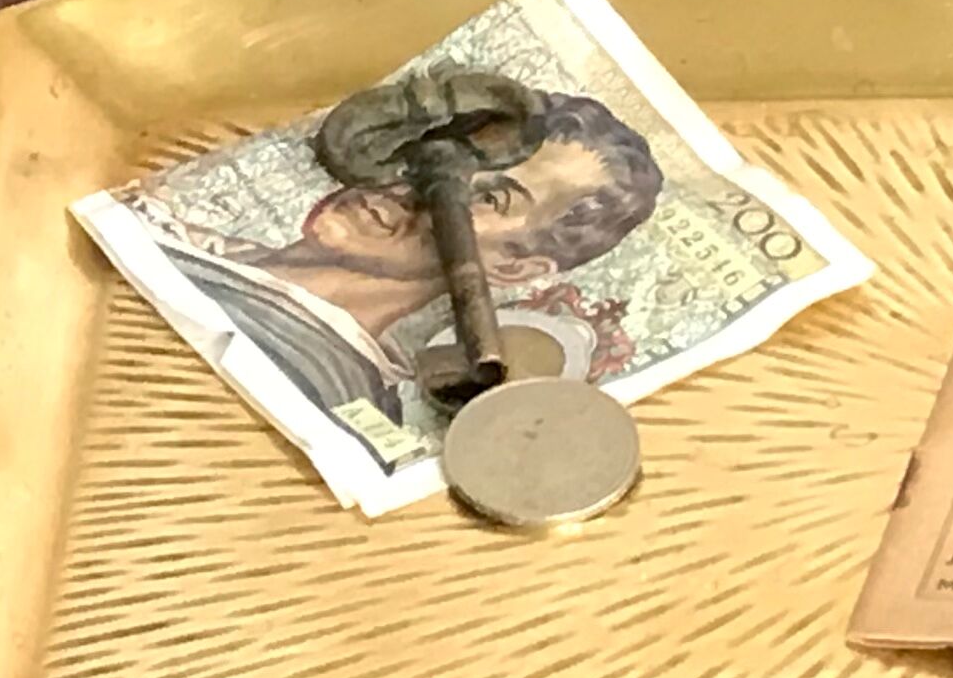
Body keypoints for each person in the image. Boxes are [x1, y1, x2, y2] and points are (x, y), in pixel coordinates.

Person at [159, 93, 664, 465]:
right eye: (448, 153)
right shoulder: (170, 229)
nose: (414, 188)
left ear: (514, 267)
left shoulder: (335, 388)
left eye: (491, 198)